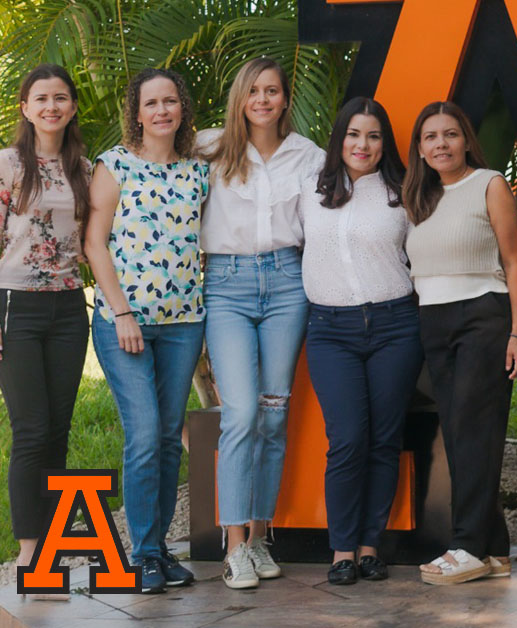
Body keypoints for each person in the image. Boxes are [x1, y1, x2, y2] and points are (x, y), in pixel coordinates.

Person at [196, 57, 324, 589]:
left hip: (288, 283)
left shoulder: (308, 156)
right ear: (240, 98)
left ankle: (258, 537)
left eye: (272, 90)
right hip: (226, 285)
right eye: (254, 91)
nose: (263, 100)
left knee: (274, 415)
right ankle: (233, 548)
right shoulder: (209, 148)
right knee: (242, 412)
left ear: (285, 98)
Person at [85, 68, 208, 594]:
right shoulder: (114, 164)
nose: (162, 111)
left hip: (184, 323)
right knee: (143, 436)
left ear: (183, 109)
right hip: (124, 323)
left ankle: (157, 552)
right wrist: (122, 313)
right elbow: (94, 243)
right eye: (151, 103)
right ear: (136, 112)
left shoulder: (199, 171)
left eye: (170, 101)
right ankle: (142, 556)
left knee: (167, 438)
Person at [402, 101, 517, 585]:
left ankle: (468, 546)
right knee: (459, 433)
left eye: (450, 134)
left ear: (466, 139)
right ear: (420, 148)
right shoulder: (419, 196)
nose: (441, 144)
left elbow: (513, 262)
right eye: (431, 137)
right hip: (433, 320)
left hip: (483, 315)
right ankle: (494, 549)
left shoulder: (489, 184)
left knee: (474, 431)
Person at [300, 97, 423, 586]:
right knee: (348, 438)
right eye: (354, 134)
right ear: (339, 138)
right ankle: (342, 550)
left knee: (384, 440)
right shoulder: (310, 188)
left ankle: (370, 547)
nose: (362, 145)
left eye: (373, 136)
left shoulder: (402, 192)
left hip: (396, 326)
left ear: (384, 142)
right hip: (330, 330)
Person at [0, 64, 91, 597]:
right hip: (16, 307)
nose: (52, 106)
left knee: (58, 430)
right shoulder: (7, 164)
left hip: (70, 309)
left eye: (61, 98)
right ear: (25, 107)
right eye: (42, 98)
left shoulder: (84, 167)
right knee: (31, 429)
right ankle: (31, 553)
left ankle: (53, 546)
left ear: (72, 107)